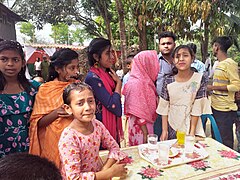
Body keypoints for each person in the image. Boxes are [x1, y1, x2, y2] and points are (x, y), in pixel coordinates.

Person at [59, 82, 128, 180]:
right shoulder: (69, 138)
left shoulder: (97, 125)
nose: (88, 107)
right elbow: (74, 178)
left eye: (91, 101)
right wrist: (109, 173)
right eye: (80, 103)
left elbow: (114, 147)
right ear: (68, 109)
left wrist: (105, 168)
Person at [29, 48, 80, 168]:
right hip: (53, 144)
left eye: (77, 67)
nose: (76, 71)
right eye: (71, 68)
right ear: (58, 69)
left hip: (77, 140)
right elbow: (38, 123)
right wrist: (57, 112)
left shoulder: (78, 87)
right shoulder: (46, 90)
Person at [157, 45, 211, 141]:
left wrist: (192, 132)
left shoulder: (198, 79)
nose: (181, 59)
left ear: (192, 58)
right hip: (172, 124)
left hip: (191, 124)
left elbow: (197, 106)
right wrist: (164, 131)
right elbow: (164, 106)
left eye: (185, 55)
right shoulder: (168, 80)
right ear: (173, 60)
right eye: (177, 56)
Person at [0, 40, 40, 158]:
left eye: (15, 59)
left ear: (23, 62)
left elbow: (41, 118)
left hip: (28, 150)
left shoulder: (34, 88)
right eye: (4, 59)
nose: (10, 64)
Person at [85, 37, 123, 143]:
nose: (112, 57)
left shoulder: (108, 74)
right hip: (100, 127)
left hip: (110, 125)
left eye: (111, 53)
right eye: (107, 53)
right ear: (96, 57)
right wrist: (119, 84)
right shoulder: (93, 78)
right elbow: (113, 105)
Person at [207, 36, 240, 149]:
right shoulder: (219, 64)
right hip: (216, 107)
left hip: (225, 110)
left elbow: (236, 85)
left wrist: (212, 87)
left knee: (225, 143)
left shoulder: (229, 64)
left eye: (213, 46)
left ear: (217, 47)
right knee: (215, 140)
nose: (213, 48)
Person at [122, 50, 159, 146]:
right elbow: (137, 112)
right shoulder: (136, 83)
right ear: (146, 64)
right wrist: (145, 132)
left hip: (145, 126)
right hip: (141, 129)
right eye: (154, 63)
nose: (157, 66)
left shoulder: (145, 81)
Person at [154, 31, 176, 140]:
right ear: (159, 46)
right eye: (163, 44)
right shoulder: (154, 62)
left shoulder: (180, 61)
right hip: (159, 106)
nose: (166, 46)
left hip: (177, 106)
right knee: (160, 136)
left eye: (169, 43)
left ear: (174, 45)